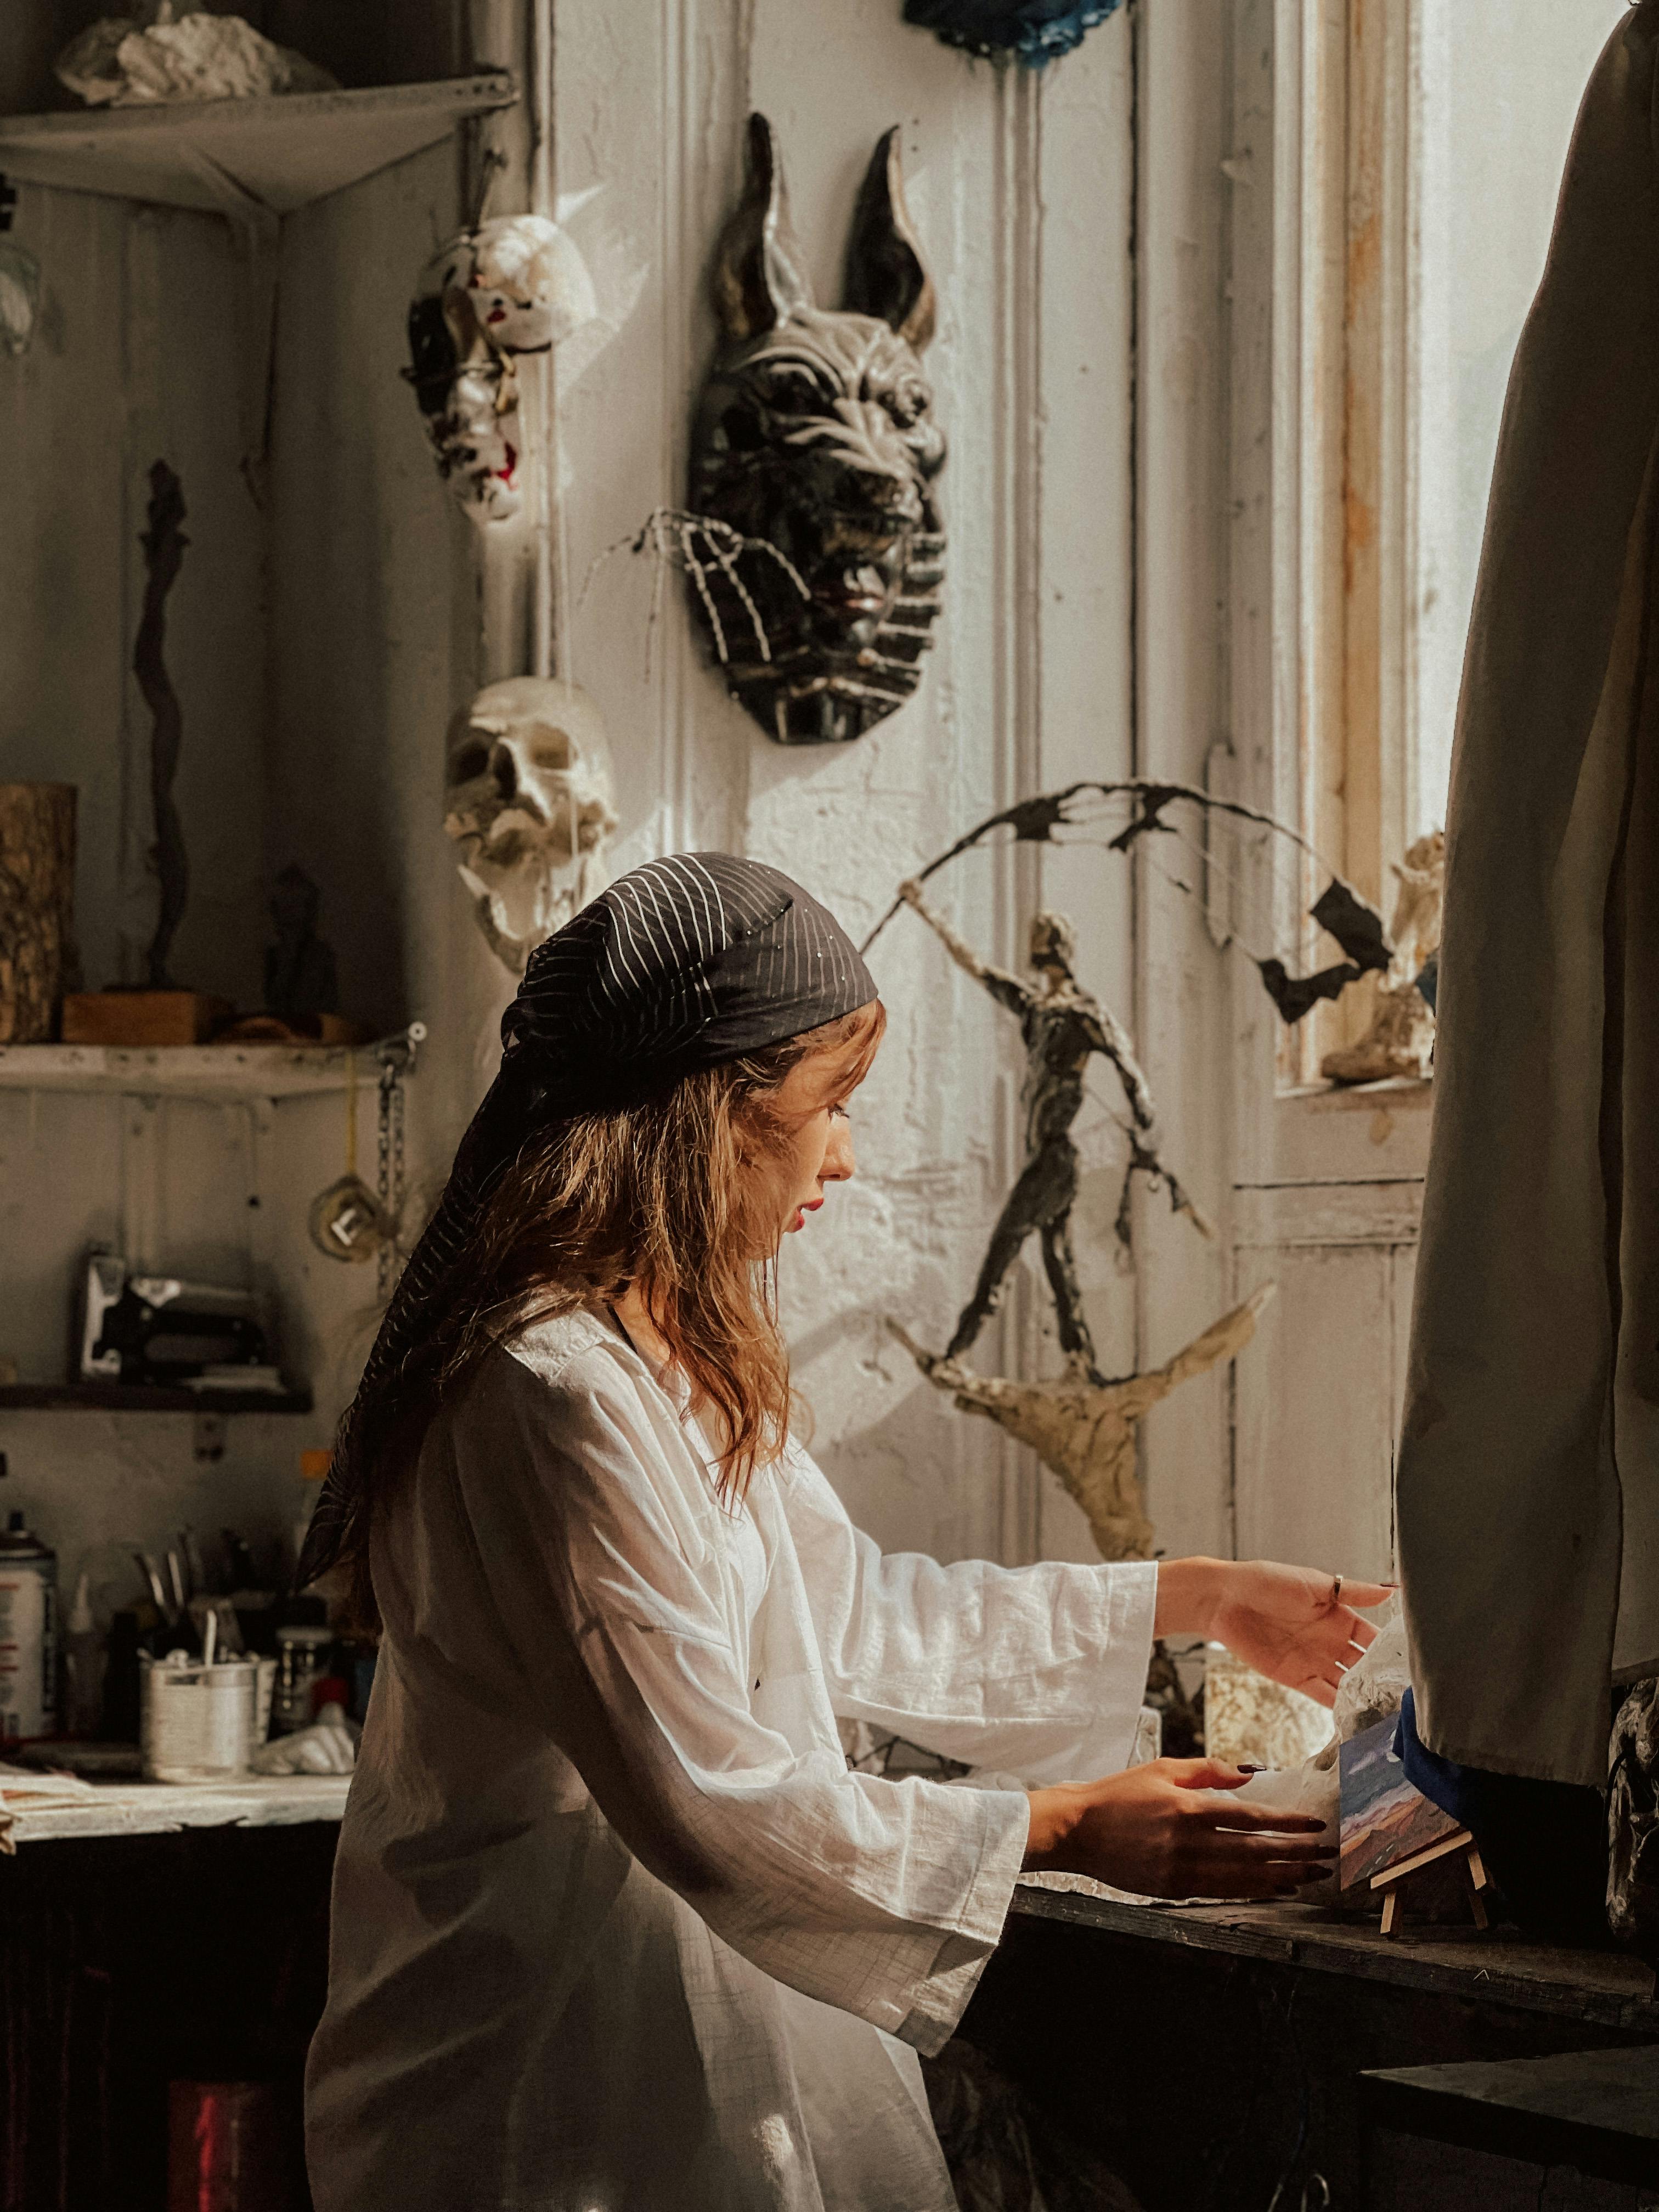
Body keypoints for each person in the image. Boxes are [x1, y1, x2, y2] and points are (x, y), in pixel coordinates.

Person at [300, 851, 1385, 2212]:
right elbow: (703, 1799)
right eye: (832, 1105)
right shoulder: (547, 1392)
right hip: (539, 2093)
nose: (850, 1155)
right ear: (709, 1114)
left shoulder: (667, 1362)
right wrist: (1051, 1827)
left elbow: (855, 1613)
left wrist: (1199, 1596)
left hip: (677, 2064)